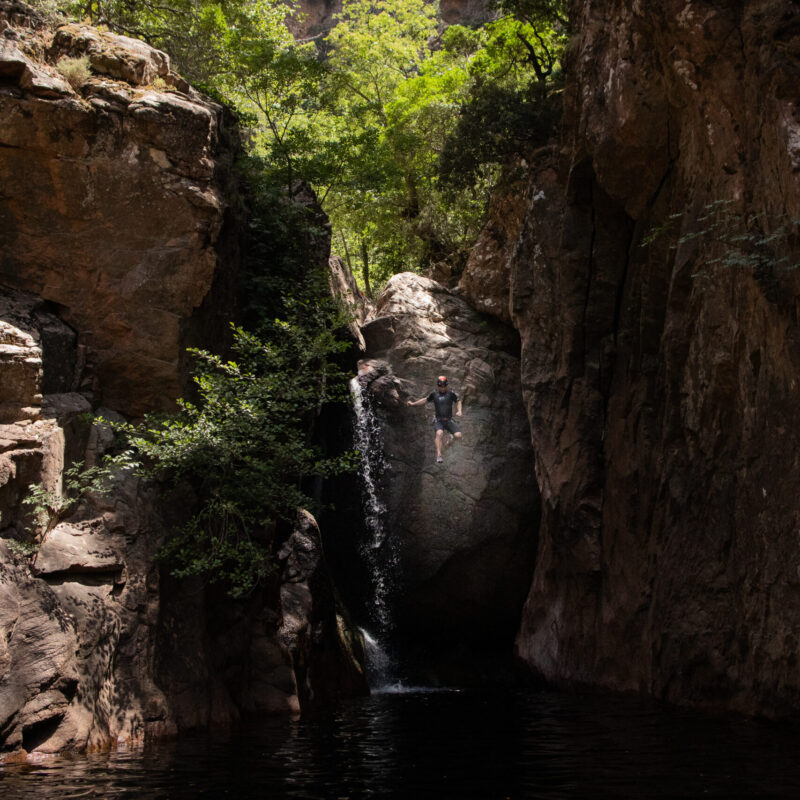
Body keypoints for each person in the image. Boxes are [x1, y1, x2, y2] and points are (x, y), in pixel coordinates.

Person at [406, 375, 463, 463]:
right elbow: (425, 400)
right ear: (438, 386)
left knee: (458, 435)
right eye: (441, 387)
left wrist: (459, 411)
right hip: (439, 420)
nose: (443, 388)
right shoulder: (434, 394)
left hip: (448, 420)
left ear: (446, 385)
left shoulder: (451, 393)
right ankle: (439, 455)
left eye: (444, 386)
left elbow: (458, 401)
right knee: (439, 433)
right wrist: (413, 404)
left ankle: (451, 440)